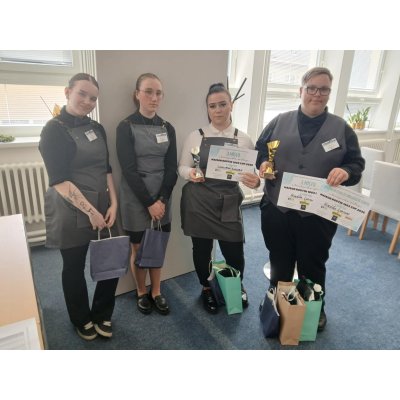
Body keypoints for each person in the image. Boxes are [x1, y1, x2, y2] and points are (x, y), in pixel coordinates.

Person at [255, 67, 365, 331]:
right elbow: (260, 151)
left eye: (323, 89)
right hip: (277, 208)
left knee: (312, 264)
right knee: (279, 260)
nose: (317, 94)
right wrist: (263, 165)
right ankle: (277, 303)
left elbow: (356, 164)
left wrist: (346, 171)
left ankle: (316, 308)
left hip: (317, 214)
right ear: (301, 90)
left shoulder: (342, 128)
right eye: (311, 88)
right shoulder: (279, 121)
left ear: (329, 93)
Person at [39, 73, 119, 340]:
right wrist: (90, 211)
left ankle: (102, 313)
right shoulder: (53, 130)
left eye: (93, 98)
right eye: (82, 94)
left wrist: (114, 203)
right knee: (74, 266)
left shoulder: (97, 128)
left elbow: (107, 169)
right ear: (67, 92)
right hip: (70, 208)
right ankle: (81, 318)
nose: (87, 101)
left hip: (102, 205)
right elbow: (59, 181)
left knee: (111, 260)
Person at [179, 83, 260, 314]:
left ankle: (236, 284)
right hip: (199, 200)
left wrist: (255, 182)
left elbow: (253, 175)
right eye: (212, 106)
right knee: (202, 250)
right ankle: (206, 287)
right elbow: (182, 167)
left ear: (231, 105)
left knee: (234, 249)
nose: (217, 110)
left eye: (222, 104)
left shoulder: (243, 139)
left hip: (228, 200)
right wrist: (191, 174)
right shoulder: (196, 136)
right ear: (207, 108)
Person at [116, 73, 177, 315]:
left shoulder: (167, 127)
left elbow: (171, 168)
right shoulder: (125, 127)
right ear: (137, 94)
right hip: (135, 196)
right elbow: (128, 169)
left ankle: (156, 291)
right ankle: (141, 291)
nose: (154, 97)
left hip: (162, 195)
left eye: (158, 93)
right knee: (139, 248)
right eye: (148, 91)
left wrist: (161, 200)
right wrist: (149, 203)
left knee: (157, 246)